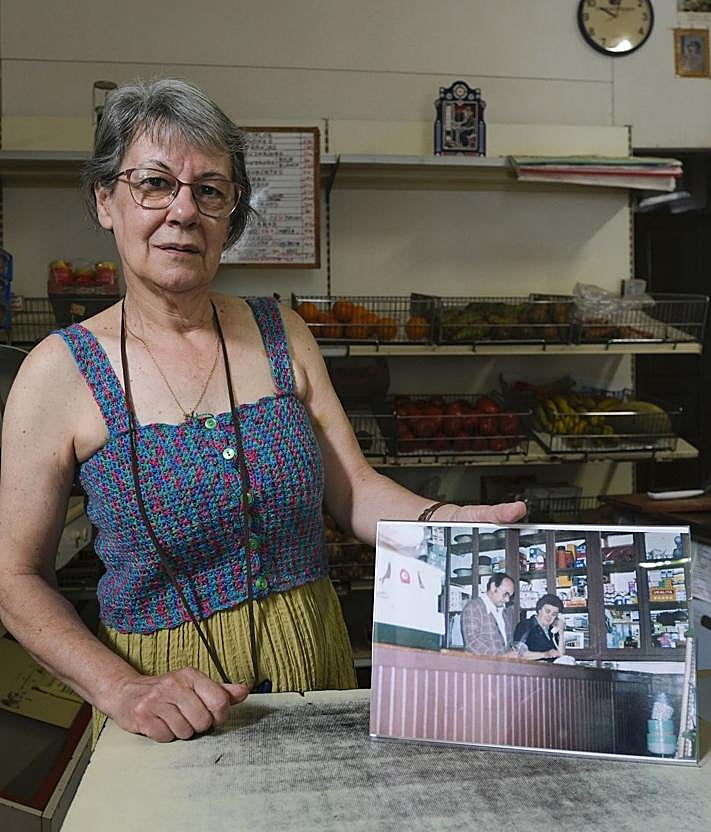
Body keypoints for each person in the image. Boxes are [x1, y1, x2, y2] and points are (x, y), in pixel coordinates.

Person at [0, 78, 526, 744]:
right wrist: (120, 688)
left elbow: (353, 490)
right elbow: (14, 576)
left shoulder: (282, 332)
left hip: (315, 662)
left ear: (230, 215)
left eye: (209, 190)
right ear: (107, 200)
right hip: (164, 698)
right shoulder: (60, 371)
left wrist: (444, 523)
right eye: (155, 184)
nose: (183, 211)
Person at [461, 572, 516, 656]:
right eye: (505, 594)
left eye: (510, 596)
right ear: (493, 587)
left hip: (501, 667)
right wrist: (501, 657)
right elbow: (471, 644)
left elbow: (508, 645)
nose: (507, 600)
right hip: (481, 667)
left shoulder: (505, 613)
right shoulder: (473, 607)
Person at [513, 593, 566, 661]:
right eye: (547, 611)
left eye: (554, 614)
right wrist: (544, 654)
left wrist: (561, 632)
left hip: (550, 669)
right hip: (531, 669)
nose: (549, 616)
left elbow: (561, 654)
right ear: (539, 610)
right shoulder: (526, 625)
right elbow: (518, 653)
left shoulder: (551, 630)